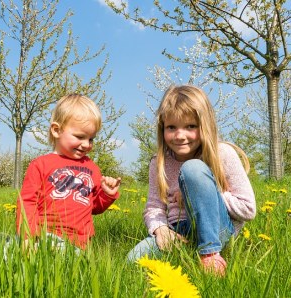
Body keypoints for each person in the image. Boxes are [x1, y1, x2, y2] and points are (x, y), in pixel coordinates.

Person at [127, 85, 256, 276]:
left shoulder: (223, 154)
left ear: (205, 126)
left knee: (193, 168)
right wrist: (161, 229)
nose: (180, 136)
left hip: (218, 229)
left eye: (190, 126)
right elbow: (154, 207)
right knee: (133, 261)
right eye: (171, 127)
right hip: (178, 231)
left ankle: (210, 254)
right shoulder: (158, 162)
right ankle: (188, 252)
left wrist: (201, 194)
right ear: (162, 128)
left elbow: (248, 209)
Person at [16, 94, 121, 252]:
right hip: (44, 237)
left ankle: (7, 248)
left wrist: (107, 195)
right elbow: (27, 203)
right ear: (57, 130)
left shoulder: (92, 168)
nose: (86, 144)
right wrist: (28, 237)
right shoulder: (40, 164)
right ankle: (8, 248)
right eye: (80, 137)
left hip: (79, 244)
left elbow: (95, 207)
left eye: (91, 139)